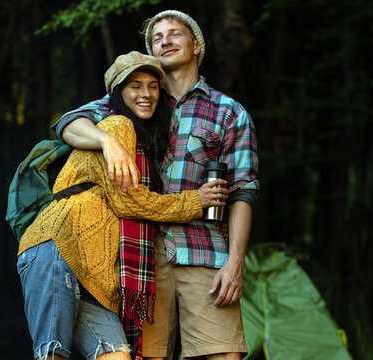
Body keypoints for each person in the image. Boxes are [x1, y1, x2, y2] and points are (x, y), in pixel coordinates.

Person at [52, 10, 260, 360]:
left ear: (197, 46)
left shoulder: (228, 111)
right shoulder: (141, 97)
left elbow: (243, 190)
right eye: (156, 38)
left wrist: (235, 263)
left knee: (224, 355)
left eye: (175, 34)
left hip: (205, 251)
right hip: (143, 255)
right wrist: (108, 142)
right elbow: (69, 124)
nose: (165, 40)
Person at [17, 51, 229, 360]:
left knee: (117, 356)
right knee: (53, 354)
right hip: (58, 245)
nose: (146, 94)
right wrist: (194, 201)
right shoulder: (117, 127)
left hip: (95, 272)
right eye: (135, 86)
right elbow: (128, 200)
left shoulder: (141, 141)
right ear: (118, 93)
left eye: (153, 86)